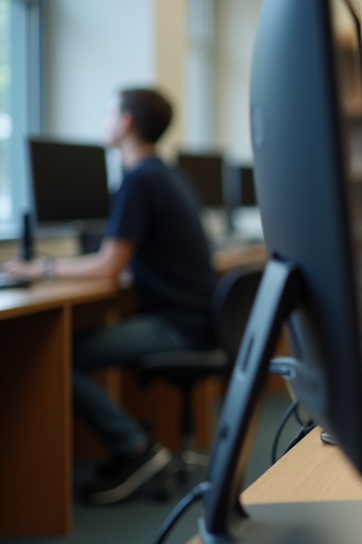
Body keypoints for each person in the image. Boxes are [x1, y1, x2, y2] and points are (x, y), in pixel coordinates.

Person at [4, 88, 216, 504]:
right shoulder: (165, 173)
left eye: (109, 112)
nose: (105, 121)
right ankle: (133, 445)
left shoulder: (140, 180)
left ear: (126, 124)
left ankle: (136, 448)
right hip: (195, 316)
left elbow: (107, 266)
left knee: (61, 358)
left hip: (176, 324)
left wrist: (41, 269)